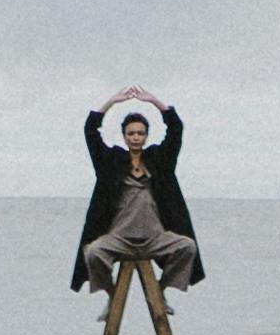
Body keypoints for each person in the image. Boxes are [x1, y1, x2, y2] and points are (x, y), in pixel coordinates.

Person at [72, 94, 203, 292]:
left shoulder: (159, 160)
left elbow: (176, 129)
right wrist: (113, 101)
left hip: (154, 238)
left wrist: (153, 101)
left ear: (146, 136)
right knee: (92, 252)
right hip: (119, 239)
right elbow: (90, 131)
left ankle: (161, 290)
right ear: (124, 136)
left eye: (140, 133)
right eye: (131, 133)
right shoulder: (111, 162)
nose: (135, 137)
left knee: (187, 247)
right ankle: (110, 293)